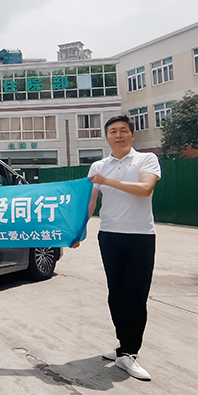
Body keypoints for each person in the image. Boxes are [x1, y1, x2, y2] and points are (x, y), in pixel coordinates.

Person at [72, 114, 160, 381]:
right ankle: (123, 346)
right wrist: (77, 230)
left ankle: (130, 352)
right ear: (106, 137)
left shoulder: (146, 159)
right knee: (116, 294)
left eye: (123, 130)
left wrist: (107, 181)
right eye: (113, 131)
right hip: (110, 236)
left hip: (140, 236)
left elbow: (145, 189)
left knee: (136, 295)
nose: (118, 135)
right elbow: (90, 203)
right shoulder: (99, 166)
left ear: (132, 135)